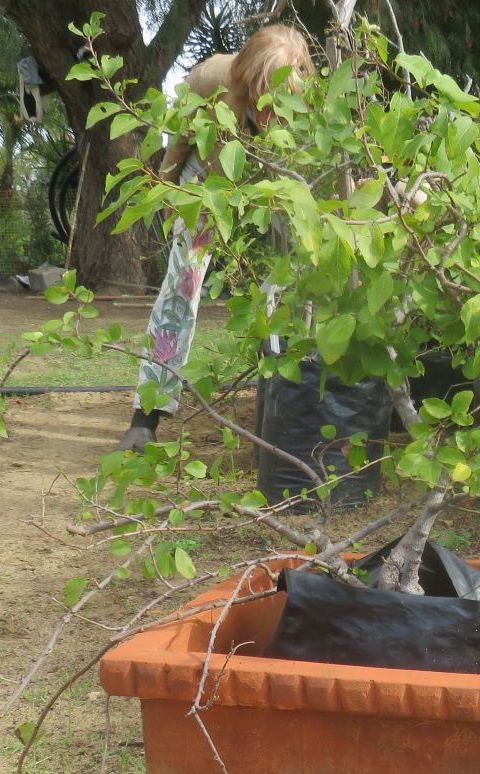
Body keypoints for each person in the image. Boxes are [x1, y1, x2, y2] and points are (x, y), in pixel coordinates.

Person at [115, 24, 315, 453]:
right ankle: (145, 417)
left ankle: (282, 401)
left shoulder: (308, 112)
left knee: (288, 278)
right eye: (258, 92)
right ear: (243, 79)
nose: (266, 108)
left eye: (278, 98)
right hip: (209, 179)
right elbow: (180, 143)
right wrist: (169, 193)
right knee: (182, 283)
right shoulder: (208, 80)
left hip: (272, 187)